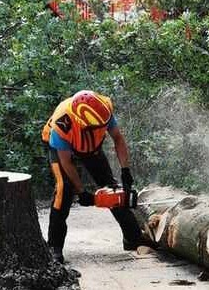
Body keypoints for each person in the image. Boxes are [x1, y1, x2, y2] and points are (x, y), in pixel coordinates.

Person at [41, 90, 147, 263]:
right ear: (82, 122)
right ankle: (54, 246)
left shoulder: (103, 109)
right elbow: (66, 162)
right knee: (64, 189)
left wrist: (125, 171)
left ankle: (133, 239)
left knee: (112, 189)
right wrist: (81, 191)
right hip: (60, 148)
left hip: (91, 147)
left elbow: (118, 139)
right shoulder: (63, 123)